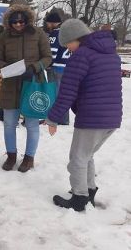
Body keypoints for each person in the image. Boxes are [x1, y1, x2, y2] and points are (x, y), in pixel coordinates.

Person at [46, 19, 122, 212]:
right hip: (111, 117)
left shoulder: (81, 56)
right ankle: (89, 190)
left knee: (78, 158)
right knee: (87, 155)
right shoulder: (110, 54)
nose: (67, 49)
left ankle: (79, 198)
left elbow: (67, 92)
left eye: (67, 44)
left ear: (75, 38)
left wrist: (53, 118)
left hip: (92, 117)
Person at [0, 4, 52, 172]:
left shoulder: (39, 34)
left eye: (21, 21)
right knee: (9, 123)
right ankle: (11, 156)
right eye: (15, 22)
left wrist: (34, 67)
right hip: (11, 84)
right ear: (9, 22)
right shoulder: (4, 36)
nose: (18, 24)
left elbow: (48, 57)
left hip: (33, 83)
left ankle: (29, 158)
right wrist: (9, 69)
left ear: (27, 20)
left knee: (32, 124)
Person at [44, 11, 70, 125]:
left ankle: (55, 118)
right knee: (64, 94)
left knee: (54, 94)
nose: (47, 25)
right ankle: (64, 119)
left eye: (48, 23)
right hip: (66, 67)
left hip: (56, 68)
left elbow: (52, 52)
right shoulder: (67, 33)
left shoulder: (55, 34)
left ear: (53, 23)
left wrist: (47, 65)